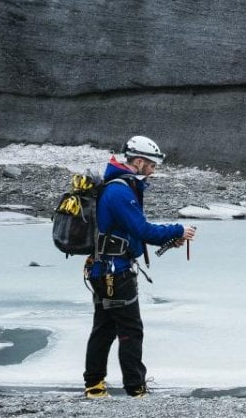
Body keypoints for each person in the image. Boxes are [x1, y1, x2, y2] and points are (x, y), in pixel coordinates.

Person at [83, 136, 196, 399]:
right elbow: (141, 230)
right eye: (152, 166)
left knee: (104, 328)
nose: (153, 172)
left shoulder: (115, 186)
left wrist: (171, 239)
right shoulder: (120, 191)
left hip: (102, 270)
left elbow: (128, 232)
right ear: (139, 161)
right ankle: (136, 388)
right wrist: (178, 229)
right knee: (131, 330)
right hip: (116, 273)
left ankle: (95, 387)